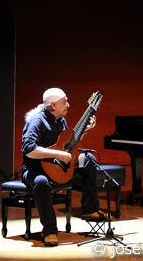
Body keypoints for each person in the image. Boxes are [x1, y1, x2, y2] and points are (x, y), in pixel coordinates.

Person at [21, 88, 102, 246]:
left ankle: (90, 209)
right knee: (41, 182)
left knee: (89, 159)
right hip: (34, 169)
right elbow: (29, 149)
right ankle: (50, 231)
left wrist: (84, 130)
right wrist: (57, 155)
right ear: (53, 105)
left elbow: (67, 145)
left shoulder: (60, 120)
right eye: (64, 102)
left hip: (57, 168)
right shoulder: (36, 121)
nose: (68, 105)